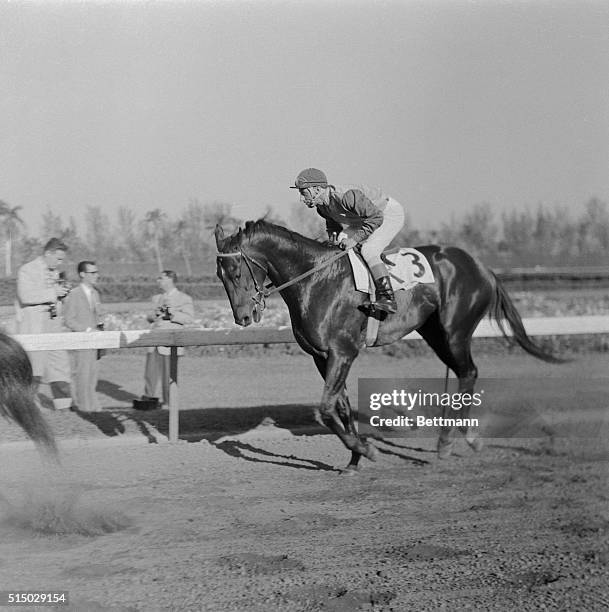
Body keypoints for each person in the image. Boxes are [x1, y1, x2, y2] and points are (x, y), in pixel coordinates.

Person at [290, 168, 406, 313]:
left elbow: (376, 218)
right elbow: (332, 224)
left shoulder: (347, 196)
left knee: (369, 250)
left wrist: (355, 240)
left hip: (386, 214)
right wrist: (333, 240)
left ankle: (388, 298)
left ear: (317, 189)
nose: (301, 198)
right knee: (340, 241)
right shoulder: (321, 207)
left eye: (303, 192)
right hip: (362, 218)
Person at [15, 238, 73, 410]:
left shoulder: (55, 273)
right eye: (58, 259)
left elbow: (55, 298)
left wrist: (63, 296)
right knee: (35, 368)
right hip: (35, 327)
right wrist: (53, 292)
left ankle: (64, 408)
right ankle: (28, 407)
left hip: (54, 325)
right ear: (48, 253)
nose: (60, 263)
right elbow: (26, 296)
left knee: (60, 365)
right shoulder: (27, 270)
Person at [142, 270, 195, 406]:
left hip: (171, 343)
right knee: (150, 373)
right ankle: (149, 401)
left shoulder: (184, 298)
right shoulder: (156, 298)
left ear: (170, 280)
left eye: (161, 278)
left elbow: (189, 319)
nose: (158, 281)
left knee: (169, 376)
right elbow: (149, 317)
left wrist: (173, 315)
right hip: (154, 342)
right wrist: (155, 314)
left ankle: (169, 403)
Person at [63, 261, 103, 412]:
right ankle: (83, 408)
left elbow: (98, 316)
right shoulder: (74, 294)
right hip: (82, 341)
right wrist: (86, 330)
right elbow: (69, 320)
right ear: (82, 274)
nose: (96, 275)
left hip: (96, 342)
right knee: (82, 376)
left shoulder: (95, 293)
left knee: (93, 376)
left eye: (96, 272)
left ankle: (92, 408)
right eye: (92, 273)